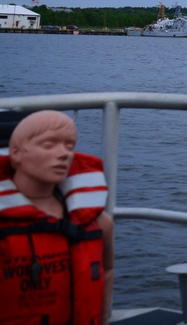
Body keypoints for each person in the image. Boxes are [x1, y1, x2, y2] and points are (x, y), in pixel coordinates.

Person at [0, 110, 114, 325]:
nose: (64, 154)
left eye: (69, 146)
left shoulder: (97, 222)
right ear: (15, 152)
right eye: (48, 145)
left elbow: (106, 270)